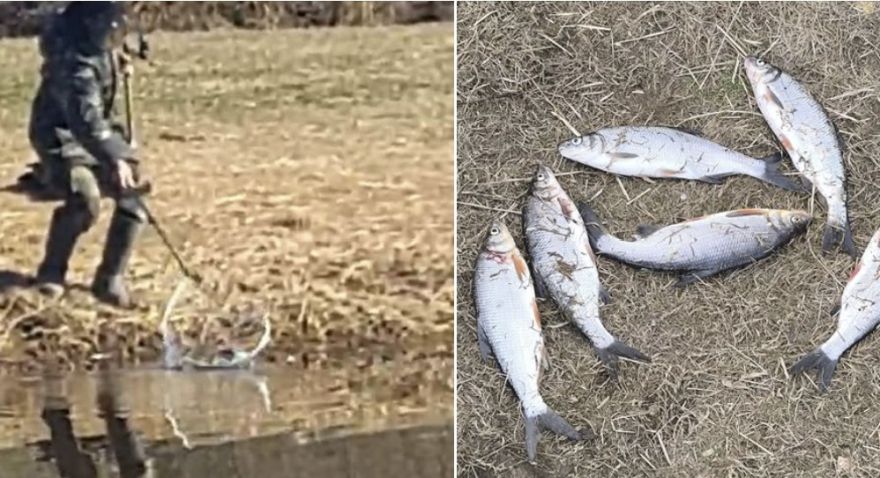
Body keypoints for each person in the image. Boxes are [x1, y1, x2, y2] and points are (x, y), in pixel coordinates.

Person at [28, 1, 146, 307]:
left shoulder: (100, 37)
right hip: (62, 138)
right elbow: (86, 122)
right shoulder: (75, 60)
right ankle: (52, 273)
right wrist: (114, 157)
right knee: (85, 198)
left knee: (133, 197)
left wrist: (120, 57)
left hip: (103, 131)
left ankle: (110, 278)